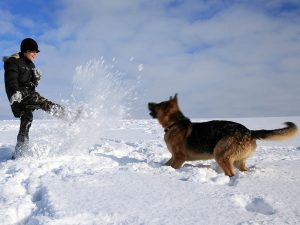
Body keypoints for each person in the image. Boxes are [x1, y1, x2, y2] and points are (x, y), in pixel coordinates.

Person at [3, 38, 76, 159]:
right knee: (42, 101)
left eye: (36, 53)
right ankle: (68, 115)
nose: (35, 55)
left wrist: (35, 79)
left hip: (27, 96)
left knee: (26, 121)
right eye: (33, 52)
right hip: (17, 97)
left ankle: (20, 152)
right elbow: (11, 79)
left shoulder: (31, 64)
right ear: (26, 50)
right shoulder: (13, 61)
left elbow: (31, 85)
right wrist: (15, 92)